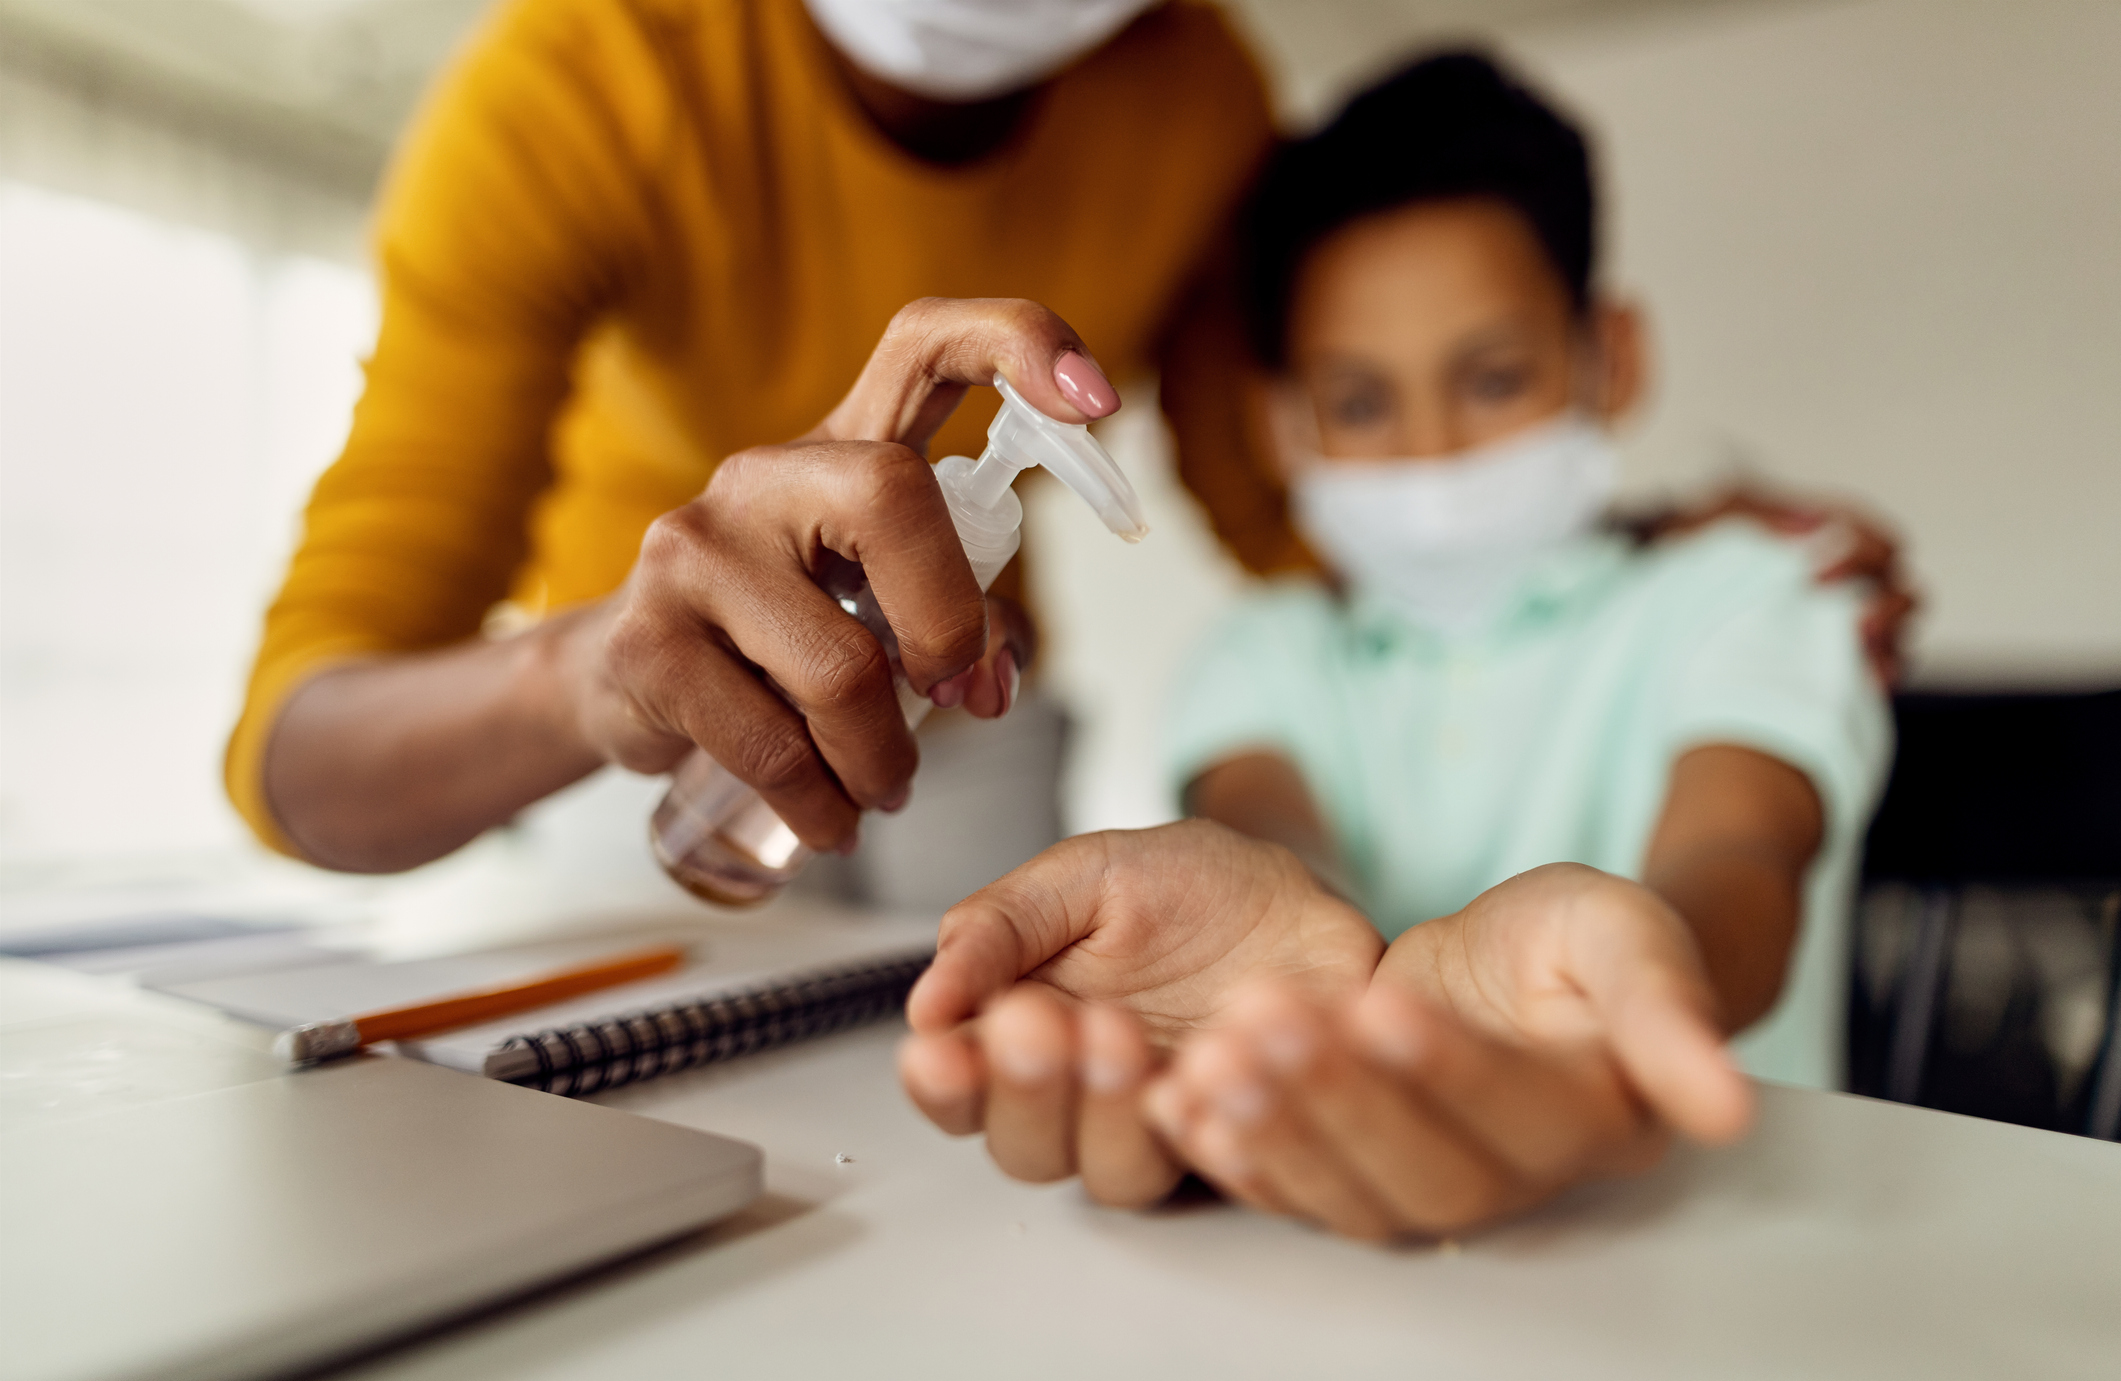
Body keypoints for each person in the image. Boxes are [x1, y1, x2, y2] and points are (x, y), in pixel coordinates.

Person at [225, 1, 1911, 913]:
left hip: (972, 699)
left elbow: (1321, 497)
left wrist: (1641, 557)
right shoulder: (574, 88)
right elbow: (303, 753)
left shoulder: (1195, 96)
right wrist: (595, 668)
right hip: (640, 708)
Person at [897, 52, 1895, 1241]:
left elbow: (1739, 852)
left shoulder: (1754, 596)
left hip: (1731, 1247)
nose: (1430, 448)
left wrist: (1640, 980)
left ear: (1610, 357)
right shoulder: (1262, 657)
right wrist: (1282, 985)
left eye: (1494, 377)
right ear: (1280, 424)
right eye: (1364, 402)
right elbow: (1276, 848)